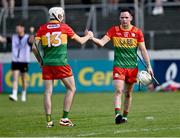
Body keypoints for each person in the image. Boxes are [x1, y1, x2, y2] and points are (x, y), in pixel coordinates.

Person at [90, 8, 153, 124]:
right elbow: (101, 43)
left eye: (126, 17)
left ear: (131, 18)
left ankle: (125, 116)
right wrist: (91, 37)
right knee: (119, 90)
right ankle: (117, 115)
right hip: (119, 66)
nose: (124, 20)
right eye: (122, 17)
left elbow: (143, 50)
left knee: (128, 93)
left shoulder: (137, 32)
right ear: (119, 18)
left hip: (132, 67)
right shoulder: (114, 30)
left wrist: (149, 66)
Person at [32, 7, 93, 128]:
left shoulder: (42, 28)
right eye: (62, 15)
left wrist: (40, 61)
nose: (63, 17)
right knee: (71, 89)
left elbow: (34, 47)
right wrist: (89, 35)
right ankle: (64, 119)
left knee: (48, 92)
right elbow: (81, 41)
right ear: (58, 15)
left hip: (47, 63)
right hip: (61, 63)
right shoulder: (64, 27)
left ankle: (49, 121)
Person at [9, 23, 34, 102]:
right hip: (15, 60)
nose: (17, 30)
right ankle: (14, 94)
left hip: (24, 61)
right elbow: (3, 39)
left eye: (19, 28)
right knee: (15, 78)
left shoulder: (27, 37)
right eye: (16, 28)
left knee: (23, 79)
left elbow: (31, 41)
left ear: (22, 28)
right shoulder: (14, 37)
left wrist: (31, 33)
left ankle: (23, 93)